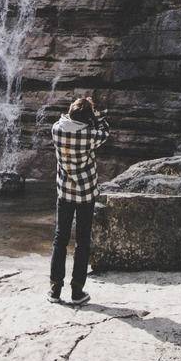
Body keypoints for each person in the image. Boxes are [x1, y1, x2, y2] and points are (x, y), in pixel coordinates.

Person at [49, 96, 110, 305]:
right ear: (87, 119)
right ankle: (77, 292)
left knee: (60, 239)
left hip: (64, 192)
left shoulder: (56, 130)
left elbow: (63, 119)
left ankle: (55, 290)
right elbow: (105, 132)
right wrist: (98, 116)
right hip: (85, 193)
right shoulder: (89, 134)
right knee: (82, 241)